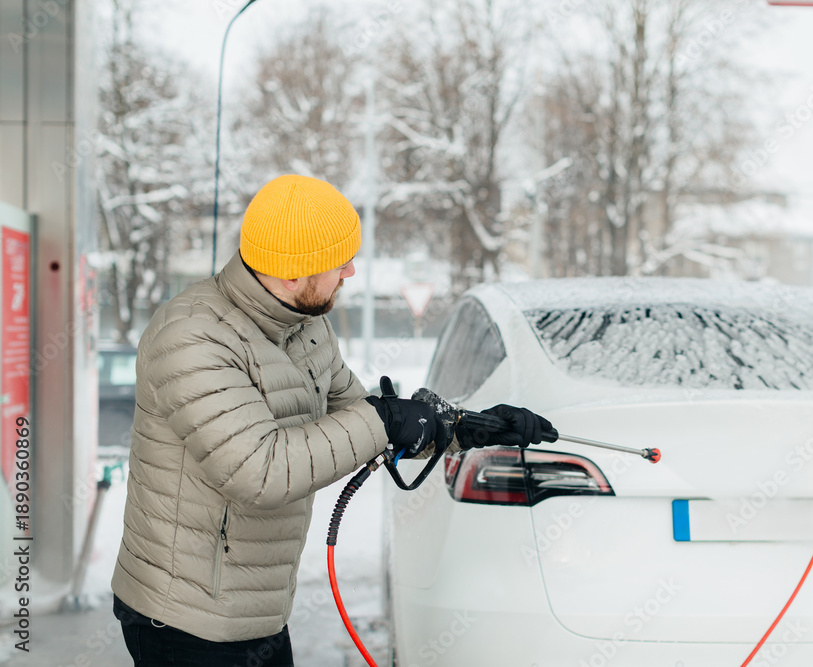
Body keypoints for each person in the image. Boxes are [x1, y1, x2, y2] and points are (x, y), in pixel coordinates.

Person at [110, 174, 549, 666]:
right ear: (292, 274)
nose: (351, 271)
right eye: (339, 261)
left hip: (258, 611)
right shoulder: (191, 336)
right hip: (185, 621)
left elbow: (357, 417)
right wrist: (383, 421)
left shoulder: (305, 325)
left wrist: (463, 427)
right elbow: (259, 471)